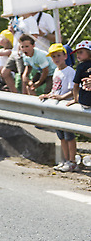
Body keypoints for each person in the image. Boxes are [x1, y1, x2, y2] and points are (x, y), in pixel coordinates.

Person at [39, 44, 77, 172]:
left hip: (65, 106)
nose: (56, 59)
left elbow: (73, 90)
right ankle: (65, 159)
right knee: (61, 136)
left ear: (65, 56)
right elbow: (55, 88)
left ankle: (72, 161)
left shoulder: (70, 71)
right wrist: (48, 95)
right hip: (57, 108)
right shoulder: (56, 71)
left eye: (59, 56)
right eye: (54, 56)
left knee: (69, 136)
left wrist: (61, 97)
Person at [66, 40, 91, 111]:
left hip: (85, 101)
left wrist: (75, 98)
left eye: (80, 52)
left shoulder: (81, 67)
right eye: (77, 53)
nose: (78, 55)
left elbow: (76, 84)